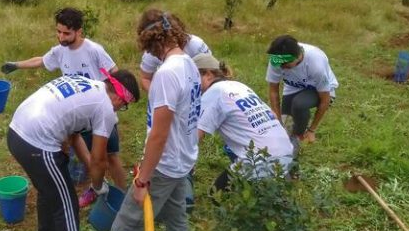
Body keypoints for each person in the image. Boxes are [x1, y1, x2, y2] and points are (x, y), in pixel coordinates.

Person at [101, 9, 201, 231]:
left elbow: (159, 134)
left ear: (150, 42)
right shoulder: (189, 65)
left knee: (125, 229)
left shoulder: (168, 74)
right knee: (176, 217)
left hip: (163, 166)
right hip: (182, 162)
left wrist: (143, 180)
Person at [8, 70, 139, 231]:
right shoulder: (105, 108)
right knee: (67, 202)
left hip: (17, 132)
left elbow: (74, 135)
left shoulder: (87, 86)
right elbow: (99, 159)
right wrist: (97, 186)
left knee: (49, 190)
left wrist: (96, 177)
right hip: (37, 142)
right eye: (122, 105)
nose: (119, 109)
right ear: (117, 96)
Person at [1, 7, 129, 198]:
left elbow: (116, 74)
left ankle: (122, 194)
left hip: (98, 112)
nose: (61, 37)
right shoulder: (60, 51)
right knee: (78, 150)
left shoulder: (94, 51)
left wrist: (111, 100)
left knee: (110, 156)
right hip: (75, 114)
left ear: (79, 31)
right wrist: (16, 65)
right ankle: (94, 187)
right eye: (58, 32)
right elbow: (41, 61)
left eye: (66, 33)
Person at [193, 53, 294, 192]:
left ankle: (257, 187)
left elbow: (195, 136)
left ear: (208, 74)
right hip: (287, 153)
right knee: (229, 148)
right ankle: (271, 184)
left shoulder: (214, 92)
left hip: (262, 160)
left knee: (216, 196)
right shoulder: (238, 86)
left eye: (193, 78)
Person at [266, 35, 338, 144]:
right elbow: (273, 90)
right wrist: (278, 119)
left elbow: (325, 99)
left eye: (286, 65)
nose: (282, 68)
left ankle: (298, 138)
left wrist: (311, 130)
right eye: (279, 65)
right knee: (286, 124)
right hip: (294, 87)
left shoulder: (315, 64)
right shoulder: (278, 60)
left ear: (298, 57)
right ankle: (289, 140)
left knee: (299, 104)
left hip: (317, 90)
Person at [139, 30, 211, 92]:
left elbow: (212, 72)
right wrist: (158, 95)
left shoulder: (195, 44)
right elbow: (145, 78)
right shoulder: (152, 52)